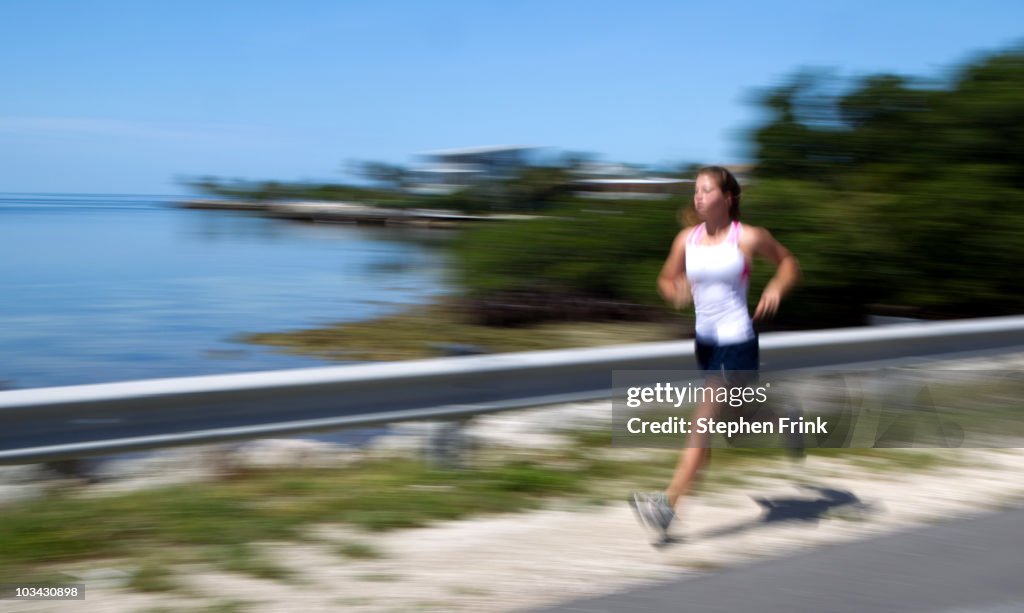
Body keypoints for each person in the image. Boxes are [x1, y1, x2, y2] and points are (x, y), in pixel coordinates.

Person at [631, 165, 800, 538]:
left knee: (701, 424)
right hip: (705, 343)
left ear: (728, 198)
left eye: (707, 190)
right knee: (737, 422)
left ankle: (668, 505)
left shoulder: (748, 237)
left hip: (737, 339)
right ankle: (786, 421)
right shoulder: (685, 240)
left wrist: (775, 288)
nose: (698, 197)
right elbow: (665, 277)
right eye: (696, 190)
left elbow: (789, 262)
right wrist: (673, 290)